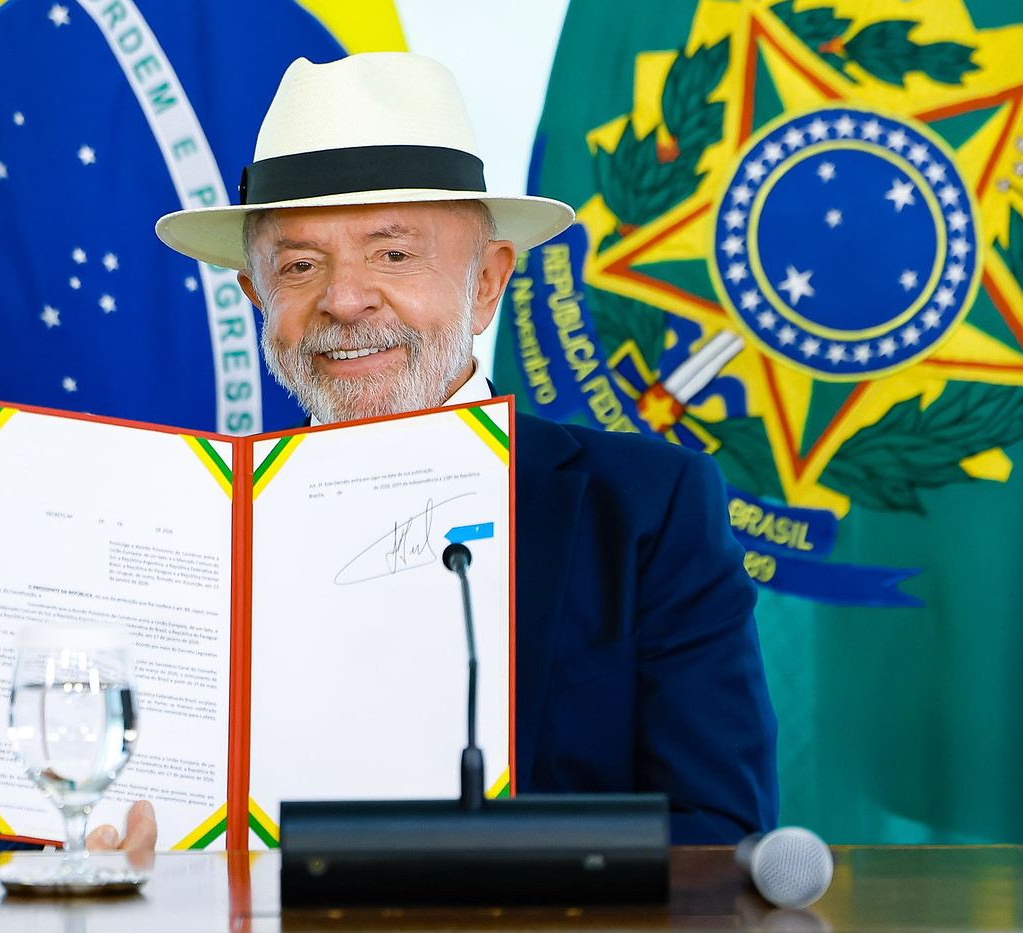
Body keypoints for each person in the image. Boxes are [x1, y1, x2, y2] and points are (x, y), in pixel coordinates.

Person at [150, 51, 779, 846]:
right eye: (300, 266)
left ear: (487, 282)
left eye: (393, 253)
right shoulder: (182, 530)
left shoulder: (647, 508)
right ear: (257, 295)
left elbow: (719, 833)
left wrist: (463, 866)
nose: (344, 299)